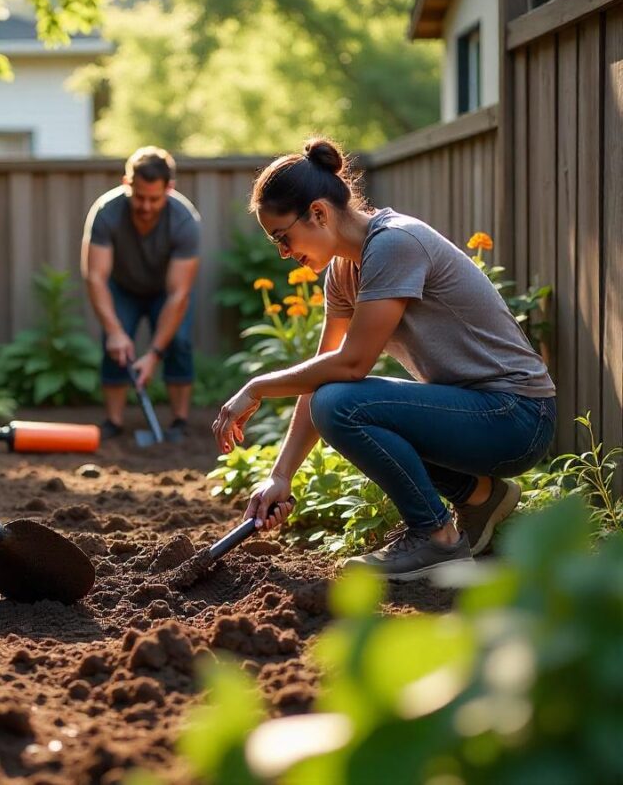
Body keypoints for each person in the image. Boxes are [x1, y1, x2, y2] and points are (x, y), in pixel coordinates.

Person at [213, 138, 556, 581]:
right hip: (481, 411)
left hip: (518, 415)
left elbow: (352, 366)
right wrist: (282, 475)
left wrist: (257, 386)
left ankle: (435, 538)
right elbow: (325, 370)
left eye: (283, 238)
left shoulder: (395, 243)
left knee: (340, 403)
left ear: (318, 213)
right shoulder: (343, 270)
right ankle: (479, 496)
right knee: (333, 399)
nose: (283, 252)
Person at [81, 146, 202, 440]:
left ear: (169, 189)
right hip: (122, 287)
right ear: (127, 183)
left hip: (166, 291)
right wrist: (114, 331)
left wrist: (154, 354)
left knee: (180, 342)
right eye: (139, 197)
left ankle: (179, 421)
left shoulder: (185, 220)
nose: (146, 206)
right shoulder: (106, 212)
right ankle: (114, 421)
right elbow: (95, 276)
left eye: (155, 199)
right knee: (115, 347)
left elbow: (179, 294)